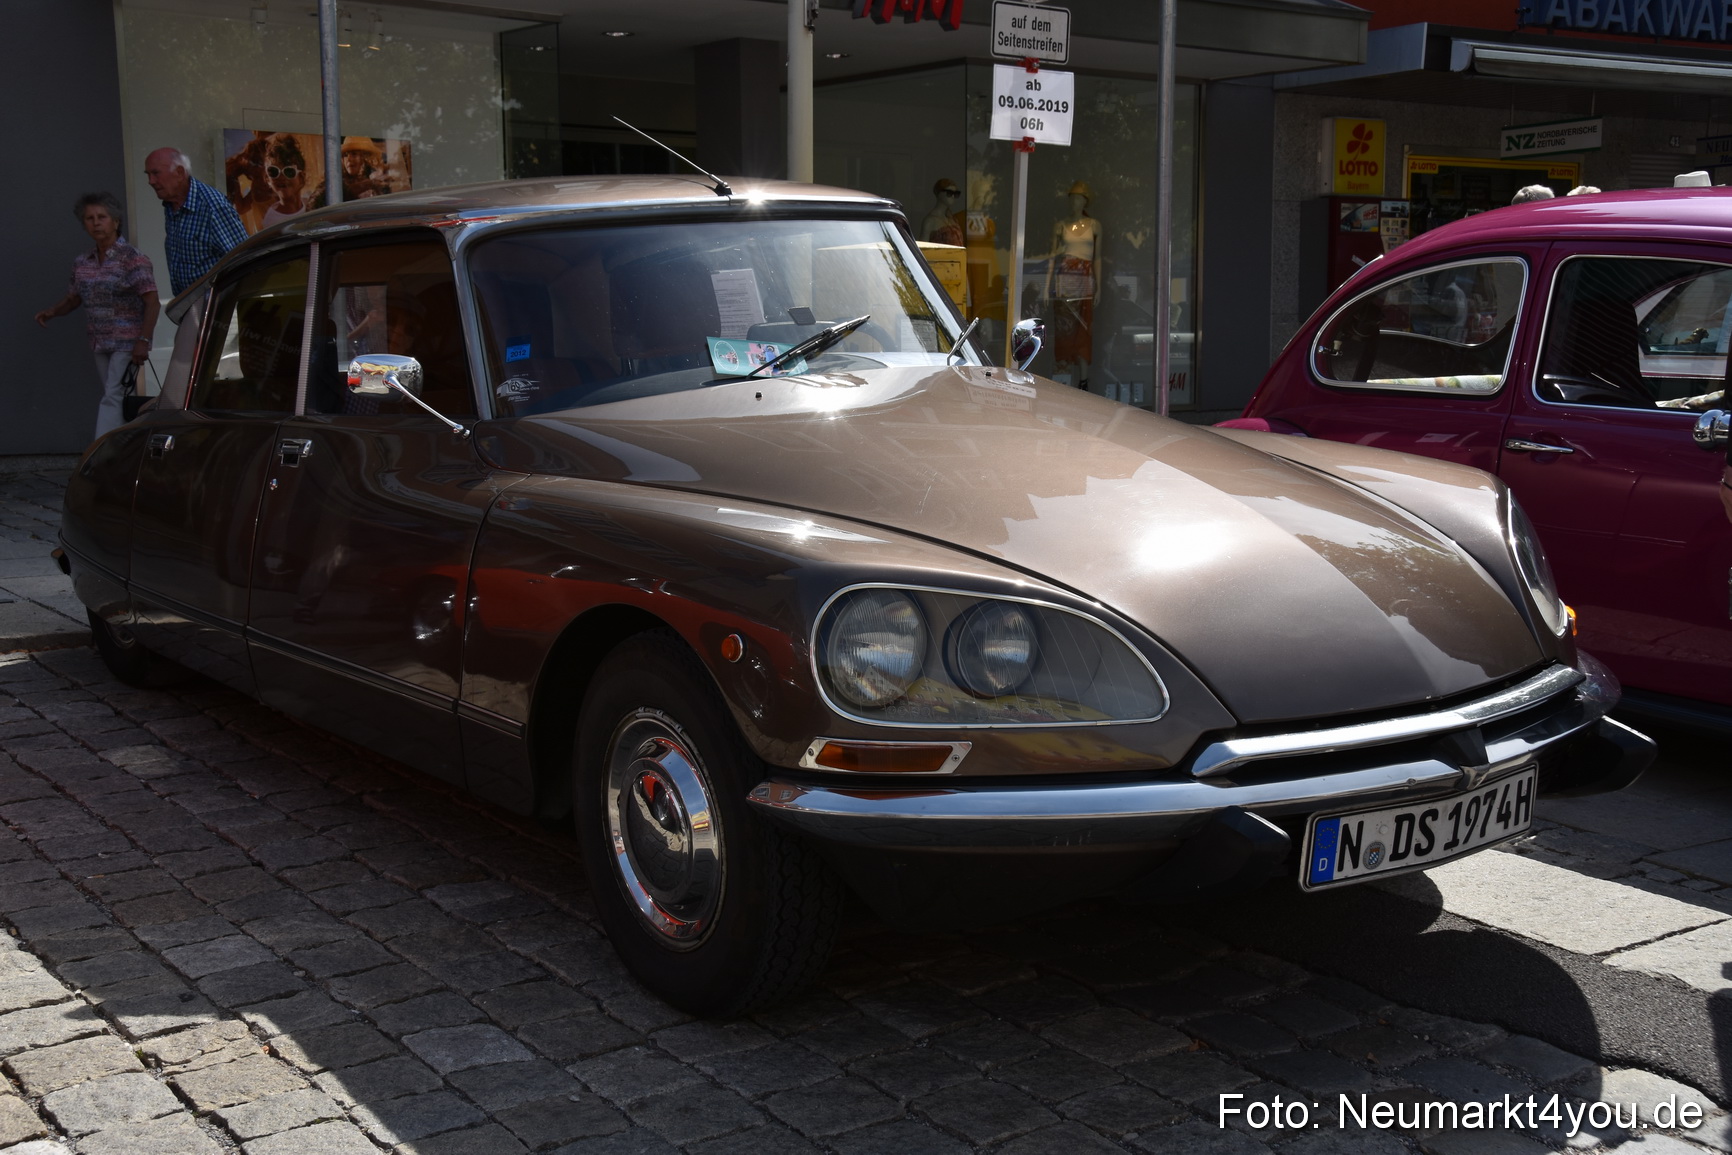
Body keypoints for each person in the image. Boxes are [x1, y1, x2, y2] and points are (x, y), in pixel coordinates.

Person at [32, 193, 160, 440]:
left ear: (115, 221)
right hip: (99, 341)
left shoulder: (132, 258)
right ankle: (127, 447)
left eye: (102, 217)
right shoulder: (83, 262)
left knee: (113, 395)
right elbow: (74, 298)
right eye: (89, 218)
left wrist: (143, 340)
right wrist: (52, 312)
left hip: (127, 343)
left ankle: (100, 452)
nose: (96, 223)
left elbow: (152, 301)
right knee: (118, 397)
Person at [146, 147, 247, 296]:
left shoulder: (212, 207)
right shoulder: (171, 204)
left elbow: (243, 260)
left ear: (179, 173)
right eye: (148, 175)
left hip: (216, 307)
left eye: (156, 173)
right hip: (189, 305)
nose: (151, 181)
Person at [260, 134, 314, 229]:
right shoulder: (271, 221)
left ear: (301, 177)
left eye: (289, 171)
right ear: (267, 179)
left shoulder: (312, 205)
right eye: (273, 171)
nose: (281, 177)